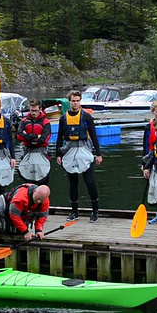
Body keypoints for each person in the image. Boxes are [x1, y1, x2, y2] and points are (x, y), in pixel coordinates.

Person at [56, 90, 103, 223]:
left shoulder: (87, 117)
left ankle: (95, 211)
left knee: (90, 182)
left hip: (84, 150)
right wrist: (58, 154)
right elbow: (59, 137)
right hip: (70, 150)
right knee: (73, 183)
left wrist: (98, 154)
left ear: (80, 101)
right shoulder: (63, 118)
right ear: (69, 101)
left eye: (77, 101)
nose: (75, 103)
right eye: (73, 101)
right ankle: (74, 212)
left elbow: (94, 136)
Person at [17, 98, 52, 185]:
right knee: (27, 182)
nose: (33, 113)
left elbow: (44, 139)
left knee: (43, 183)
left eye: (36, 111)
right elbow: (19, 136)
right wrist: (35, 136)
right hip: (28, 152)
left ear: (40, 109)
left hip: (41, 152)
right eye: (32, 110)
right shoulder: (24, 121)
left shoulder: (45, 122)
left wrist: (27, 137)